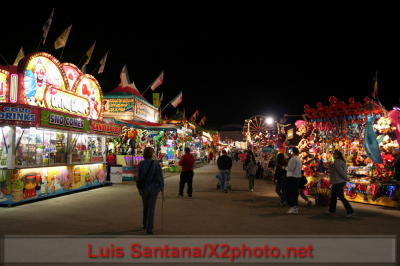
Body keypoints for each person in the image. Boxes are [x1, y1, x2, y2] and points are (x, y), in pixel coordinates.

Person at [136, 147, 164, 234]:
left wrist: (139, 189)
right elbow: (160, 177)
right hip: (154, 188)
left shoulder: (141, 164)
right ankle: (149, 227)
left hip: (144, 188)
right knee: (151, 208)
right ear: (152, 154)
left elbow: (138, 178)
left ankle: (145, 223)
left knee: (145, 206)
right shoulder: (156, 164)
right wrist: (162, 188)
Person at [327, 150, 354, 218]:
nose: (333, 155)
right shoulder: (339, 162)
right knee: (333, 197)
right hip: (338, 181)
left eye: (334, 154)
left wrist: (346, 178)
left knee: (341, 197)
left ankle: (350, 211)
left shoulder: (337, 162)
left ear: (338, 155)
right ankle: (331, 210)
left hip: (338, 181)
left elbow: (340, 172)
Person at [285, 147, 302, 214]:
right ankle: (295, 207)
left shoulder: (293, 159)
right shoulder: (298, 159)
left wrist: (285, 168)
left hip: (292, 177)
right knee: (294, 193)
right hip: (297, 177)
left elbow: (291, 168)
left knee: (289, 193)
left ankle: (293, 207)